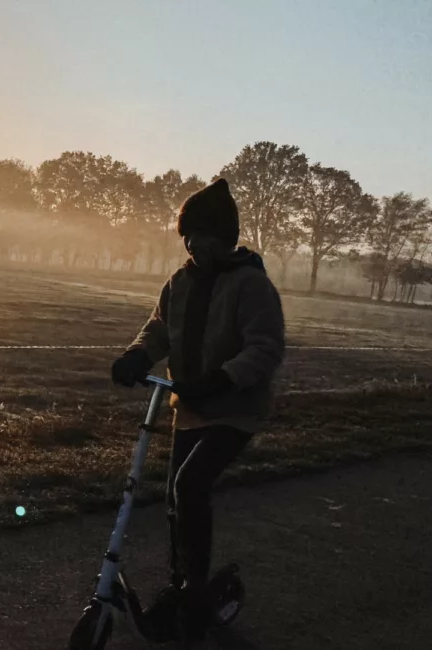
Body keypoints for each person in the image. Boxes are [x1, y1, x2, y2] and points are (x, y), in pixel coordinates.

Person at [111, 178, 285, 643]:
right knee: (175, 497)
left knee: (190, 485)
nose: (192, 244)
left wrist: (222, 378)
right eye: (187, 235)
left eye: (202, 235)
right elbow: (159, 329)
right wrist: (137, 356)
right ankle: (185, 585)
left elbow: (265, 348)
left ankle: (191, 591)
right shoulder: (180, 282)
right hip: (190, 406)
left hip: (236, 408)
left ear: (225, 238)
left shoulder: (250, 284)